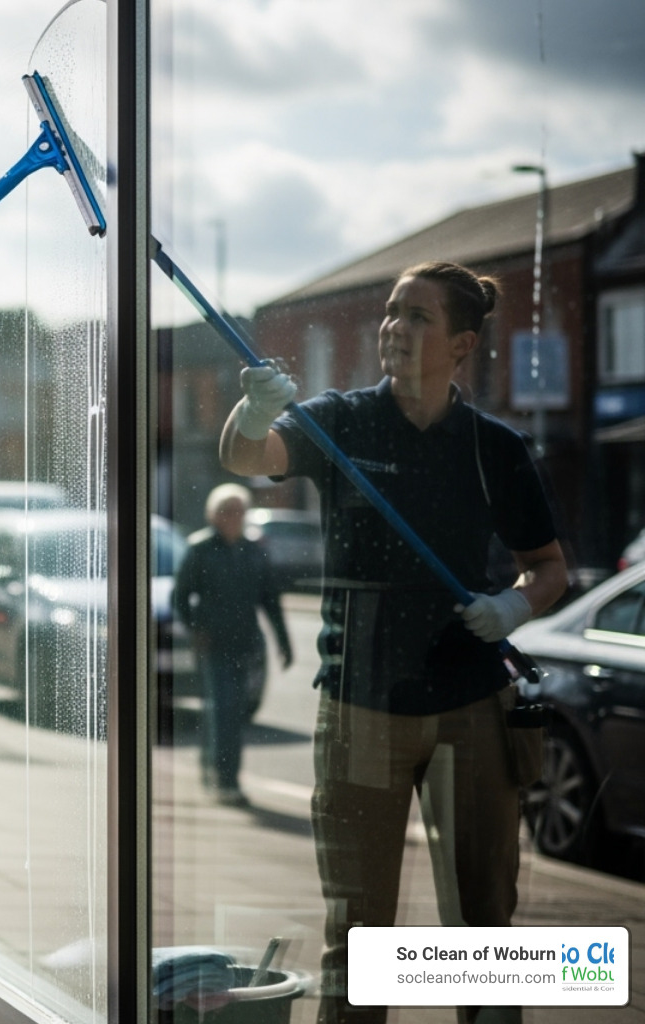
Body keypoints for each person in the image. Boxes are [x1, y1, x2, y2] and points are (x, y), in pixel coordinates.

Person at [219, 262, 568, 1024]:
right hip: (360, 708)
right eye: (390, 313)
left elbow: (549, 570)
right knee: (358, 935)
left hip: (472, 709)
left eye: (417, 318)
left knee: (483, 932)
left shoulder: (493, 448)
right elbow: (249, 460)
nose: (394, 330)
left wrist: (512, 607)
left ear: (462, 344)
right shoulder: (339, 420)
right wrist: (251, 416)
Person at [174, 483, 292, 807]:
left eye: (239, 511)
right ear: (213, 515)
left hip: (246, 644)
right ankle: (226, 781)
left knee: (233, 712)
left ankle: (212, 767)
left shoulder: (254, 550)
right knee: (223, 708)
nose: (233, 517)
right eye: (226, 511)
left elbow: (270, 599)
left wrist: (284, 641)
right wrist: (196, 629)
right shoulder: (200, 549)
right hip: (214, 644)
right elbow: (180, 597)